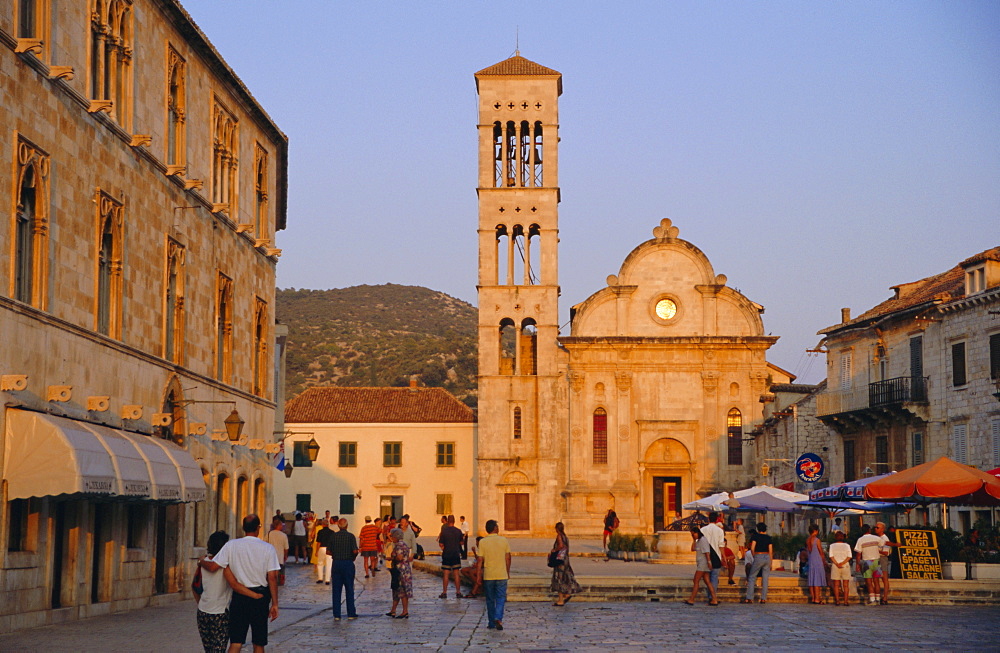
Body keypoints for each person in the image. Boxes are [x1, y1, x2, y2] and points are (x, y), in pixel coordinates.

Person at [199, 514, 280, 652]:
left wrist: (200, 561)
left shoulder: (231, 545)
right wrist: (275, 604)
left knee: (236, 641)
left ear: (243, 528)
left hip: (239, 597)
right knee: (258, 643)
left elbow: (213, 567)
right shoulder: (268, 548)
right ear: (258, 528)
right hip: (260, 597)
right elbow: (272, 577)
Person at [195, 530, 232, 653]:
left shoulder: (203, 561)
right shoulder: (227, 564)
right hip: (220, 612)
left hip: (203, 612)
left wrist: (201, 603)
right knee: (219, 649)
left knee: (209, 649)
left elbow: (195, 586)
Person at [477, 519, 511, 630]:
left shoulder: (483, 542)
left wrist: (478, 576)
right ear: (495, 528)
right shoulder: (503, 540)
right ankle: (498, 618)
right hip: (501, 574)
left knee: (490, 599)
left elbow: (480, 560)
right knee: (501, 598)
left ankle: (491, 622)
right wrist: (508, 571)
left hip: (489, 575)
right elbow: (508, 557)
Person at [324, 518, 359, 620]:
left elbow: (328, 552)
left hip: (337, 563)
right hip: (348, 563)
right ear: (347, 526)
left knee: (336, 590)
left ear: (339, 526)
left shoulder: (333, 536)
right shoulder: (351, 536)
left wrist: (335, 554)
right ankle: (351, 613)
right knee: (349, 588)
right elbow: (355, 551)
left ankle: (337, 614)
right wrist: (353, 558)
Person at [684, 525, 718, 606]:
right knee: (707, 581)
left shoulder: (703, 540)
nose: (693, 536)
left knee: (696, 580)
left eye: (693, 534)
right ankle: (714, 599)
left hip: (703, 564)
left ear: (697, 533)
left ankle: (692, 599)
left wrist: (709, 563)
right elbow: (692, 549)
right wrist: (693, 540)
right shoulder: (698, 541)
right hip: (701, 563)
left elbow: (707, 552)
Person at [549, 522, 581, 606]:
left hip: (560, 561)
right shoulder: (565, 537)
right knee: (566, 577)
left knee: (559, 579)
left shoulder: (559, 536)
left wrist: (554, 550)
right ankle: (567, 594)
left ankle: (560, 600)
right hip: (565, 560)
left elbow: (561, 546)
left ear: (557, 529)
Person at [742, 522, 772, 604]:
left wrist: (754, 556)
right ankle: (763, 598)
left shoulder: (755, 537)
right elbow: (770, 551)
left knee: (752, 577)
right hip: (767, 557)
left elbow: (752, 548)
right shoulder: (768, 538)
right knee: (765, 579)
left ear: (758, 529)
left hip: (758, 555)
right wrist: (771, 562)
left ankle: (749, 598)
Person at [386, 528, 413, 619]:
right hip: (402, 569)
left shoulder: (399, 546)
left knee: (402, 590)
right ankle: (393, 610)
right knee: (396, 590)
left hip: (401, 570)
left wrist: (392, 558)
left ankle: (405, 611)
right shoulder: (402, 544)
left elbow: (400, 557)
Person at [874, 522, 901, 605]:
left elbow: (886, 552)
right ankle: (877, 596)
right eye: (875, 527)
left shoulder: (885, 538)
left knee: (884, 578)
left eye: (877, 527)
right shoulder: (877, 538)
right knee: (875, 578)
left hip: (882, 559)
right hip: (876, 558)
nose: (875, 529)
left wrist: (875, 550)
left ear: (882, 529)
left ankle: (885, 597)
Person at [854, 524, 882, 605]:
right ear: (869, 530)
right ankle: (878, 599)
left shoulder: (860, 540)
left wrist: (857, 564)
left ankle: (872, 599)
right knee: (876, 581)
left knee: (869, 581)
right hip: (876, 560)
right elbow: (883, 544)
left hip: (867, 561)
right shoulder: (876, 538)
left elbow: (858, 553)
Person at [700, 511, 725, 601]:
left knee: (707, 578)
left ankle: (710, 595)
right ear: (717, 519)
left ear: (708, 519)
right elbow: (721, 546)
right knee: (714, 577)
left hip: (704, 556)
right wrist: (723, 558)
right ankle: (712, 597)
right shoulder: (720, 531)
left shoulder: (702, 530)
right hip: (716, 556)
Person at [438, 515, 465, 598]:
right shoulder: (458, 531)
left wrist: (444, 549)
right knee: (456, 574)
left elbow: (441, 544)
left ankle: (444, 592)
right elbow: (462, 542)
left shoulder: (444, 531)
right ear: (454, 521)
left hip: (446, 554)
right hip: (455, 554)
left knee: (446, 574)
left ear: (448, 521)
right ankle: (458, 592)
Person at [828, 530, 853, 606]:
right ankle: (846, 601)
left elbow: (831, 556)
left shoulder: (832, 546)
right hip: (845, 565)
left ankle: (837, 600)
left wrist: (837, 563)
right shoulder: (847, 546)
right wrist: (843, 562)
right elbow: (849, 556)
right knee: (846, 585)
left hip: (835, 565)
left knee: (836, 584)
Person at [806, 524, 827, 604]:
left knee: (812, 580)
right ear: (815, 531)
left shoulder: (807, 540)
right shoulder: (817, 540)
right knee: (817, 580)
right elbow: (820, 551)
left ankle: (813, 598)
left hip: (811, 561)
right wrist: (824, 561)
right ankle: (817, 598)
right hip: (817, 561)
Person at [265, 517, 288, 586]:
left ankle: (270, 581)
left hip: (270, 555)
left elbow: (264, 543)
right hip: (280, 556)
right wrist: (285, 555)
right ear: (279, 526)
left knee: (270, 570)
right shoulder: (284, 536)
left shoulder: (269, 534)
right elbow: (286, 548)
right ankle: (276, 581)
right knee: (277, 570)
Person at [312, 519, 332, 585]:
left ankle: (320, 578)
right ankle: (327, 580)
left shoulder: (320, 532)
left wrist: (317, 551)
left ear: (323, 525)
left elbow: (319, 542)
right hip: (329, 549)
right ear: (328, 524)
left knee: (320, 563)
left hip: (322, 548)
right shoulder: (332, 532)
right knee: (328, 565)